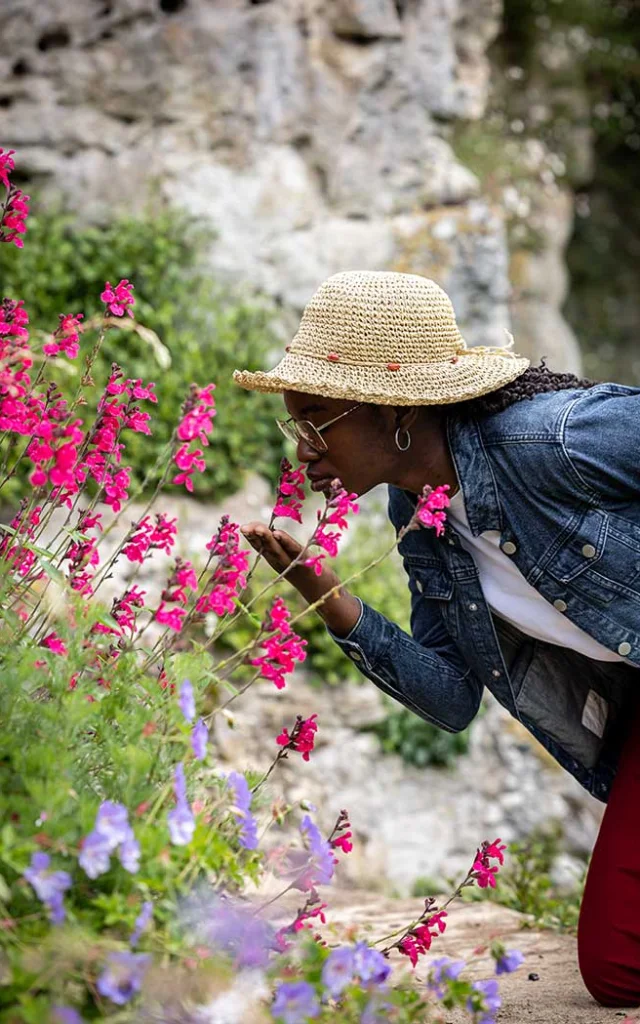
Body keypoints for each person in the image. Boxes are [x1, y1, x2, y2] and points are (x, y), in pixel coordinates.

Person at [234, 270, 640, 1008]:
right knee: (616, 969)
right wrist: (328, 597)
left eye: (317, 419)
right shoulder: (420, 520)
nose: (304, 453)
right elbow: (454, 699)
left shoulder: (550, 439)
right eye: (297, 426)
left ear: (395, 410)